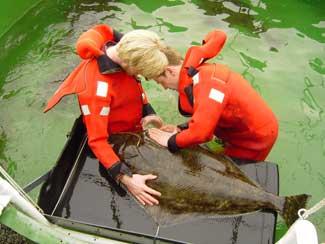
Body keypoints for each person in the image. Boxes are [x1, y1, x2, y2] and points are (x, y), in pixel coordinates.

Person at [44, 24, 164, 206]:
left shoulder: (124, 53)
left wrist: (148, 111)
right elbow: (97, 140)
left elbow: (135, 86)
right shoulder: (95, 90)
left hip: (131, 124)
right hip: (110, 136)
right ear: (128, 63)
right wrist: (125, 178)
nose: (141, 76)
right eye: (140, 72)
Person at [119, 29, 279, 162]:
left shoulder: (209, 85)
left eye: (160, 82)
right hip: (232, 129)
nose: (165, 88)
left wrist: (170, 141)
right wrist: (180, 129)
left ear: (169, 71)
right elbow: (207, 115)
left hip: (255, 139)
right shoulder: (194, 74)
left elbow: (202, 133)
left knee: (231, 172)